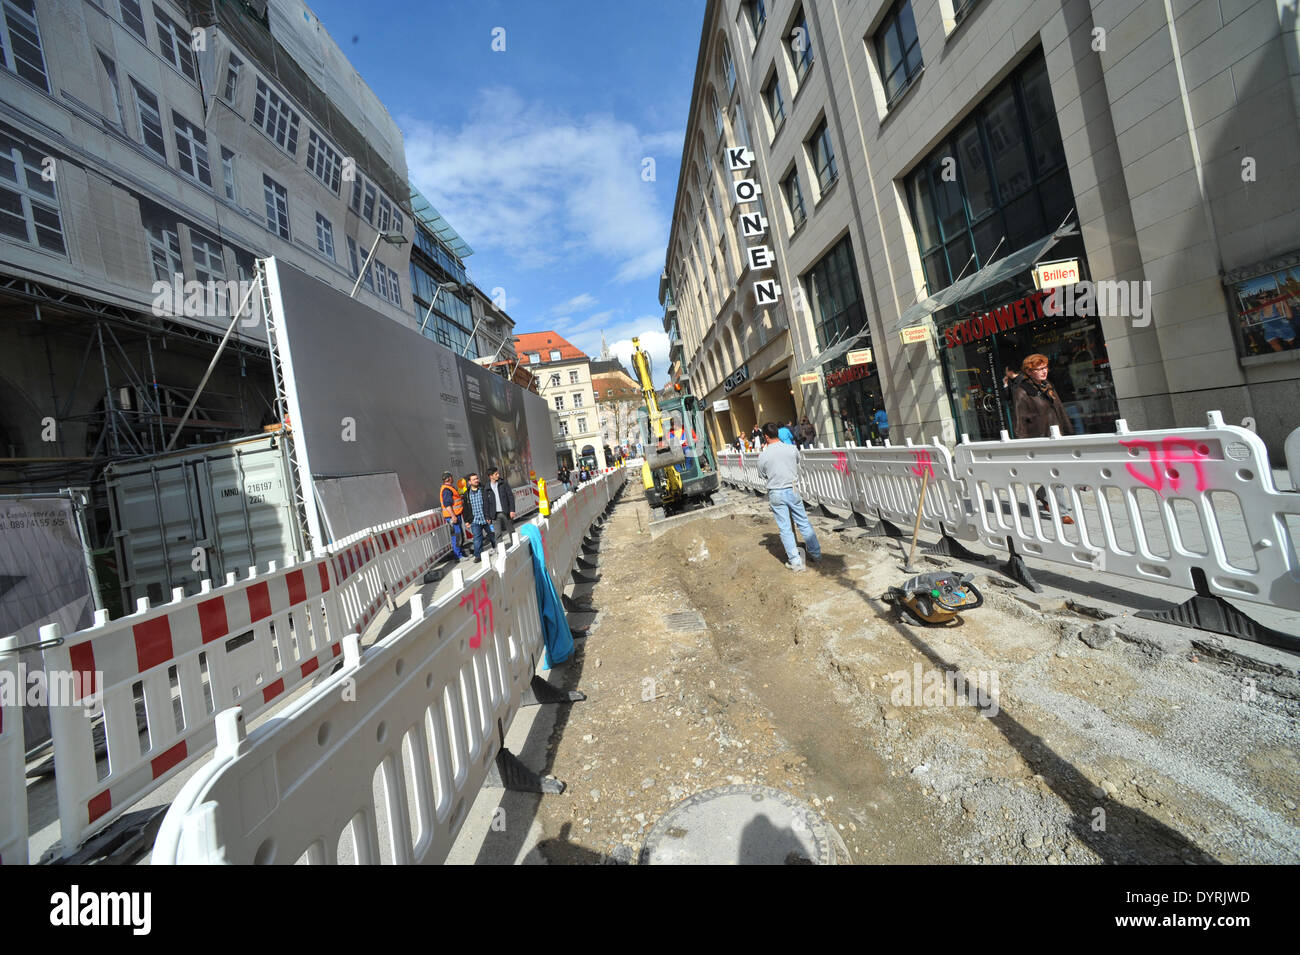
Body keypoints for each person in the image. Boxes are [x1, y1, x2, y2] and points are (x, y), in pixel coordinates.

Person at [1010, 353, 1075, 525]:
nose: (1044, 371)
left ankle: (1043, 494)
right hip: (1040, 437)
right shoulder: (1022, 391)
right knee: (1057, 472)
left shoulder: (1047, 386)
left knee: (1061, 470)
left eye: (1045, 367)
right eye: (1039, 369)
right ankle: (1061, 512)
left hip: (1057, 434)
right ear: (1029, 371)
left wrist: (1068, 431)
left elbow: (1060, 410)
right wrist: (1023, 444)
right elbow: (1019, 418)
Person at [756, 421, 822, 572]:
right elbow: (797, 461)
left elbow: (762, 474)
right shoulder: (791, 448)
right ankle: (816, 554)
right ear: (778, 433)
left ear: (766, 436)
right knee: (803, 522)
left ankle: (796, 562)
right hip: (792, 488)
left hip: (776, 492)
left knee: (785, 528)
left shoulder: (764, 455)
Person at [463, 471, 497, 562]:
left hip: (486, 518)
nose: (476, 480)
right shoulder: (466, 494)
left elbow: (490, 502)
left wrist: (491, 515)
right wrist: (466, 520)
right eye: (474, 479)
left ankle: (497, 548)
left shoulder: (483, 489)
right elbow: (465, 508)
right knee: (477, 539)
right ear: (469, 482)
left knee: (492, 534)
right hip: (475, 520)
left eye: (477, 478)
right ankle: (478, 555)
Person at [439, 470, 468, 559]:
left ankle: (461, 553)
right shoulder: (446, 489)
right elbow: (447, 504)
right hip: (452, 516)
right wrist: (453, 516)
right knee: (456, 535)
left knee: (459, 535)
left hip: (455, 515)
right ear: (449, 478)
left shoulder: (449, 488)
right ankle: (458, 556)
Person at [488, 466, 516, 538]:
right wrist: (487, 516)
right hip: (495, 515)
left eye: (498, 473)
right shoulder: (487, 487)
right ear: (491, 476)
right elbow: (486, 503)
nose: (498, 475)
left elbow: (510, 497)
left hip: (505, 512)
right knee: (497, 534)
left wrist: (512, 510)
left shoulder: (503, 483)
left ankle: (515, 545)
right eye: (496, 474)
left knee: (511, 531)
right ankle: (500, 548)